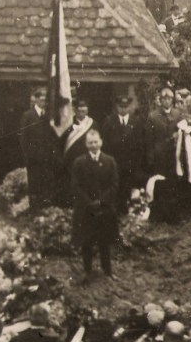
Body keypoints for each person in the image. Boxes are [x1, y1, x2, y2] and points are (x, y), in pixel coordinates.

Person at [71, 130, 119, 283]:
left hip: (104, 208)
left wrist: (101, 201)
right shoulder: (79, 162)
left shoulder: (109, 161)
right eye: (90, 142)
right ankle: (87, 271)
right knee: (87, 241)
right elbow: (76, 186)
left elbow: (114, 184)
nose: (93, 145)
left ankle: (107, 270)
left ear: (101, 142)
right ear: (86, 144)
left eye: (96, 142)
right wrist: (88, 202)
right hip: (86, 209)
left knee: (104, 241)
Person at [100, 95, 144, 213]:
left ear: (129, 107)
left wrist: (137, 163)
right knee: (115, 187)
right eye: (121, 106)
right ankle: (116, 212)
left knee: (129, 187)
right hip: (115, 162)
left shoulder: (136, 121)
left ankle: (129, 212)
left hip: (131, 163)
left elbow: (140, 144)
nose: (123, 109)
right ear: (116, 107)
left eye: (126, 106)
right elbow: (106, 145)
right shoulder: (109, 121)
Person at [19, 87, 61, 211]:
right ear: (36, 100)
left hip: (47, 158)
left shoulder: (49, 116)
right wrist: (27, 156)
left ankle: (46, 210)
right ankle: (34, 210)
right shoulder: (28, 115)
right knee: (34, 184)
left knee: (47, 184)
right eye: (41, 99)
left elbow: (54, 137)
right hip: (34, 159)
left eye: (45, 100)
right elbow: (23, 138)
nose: (44, 102)